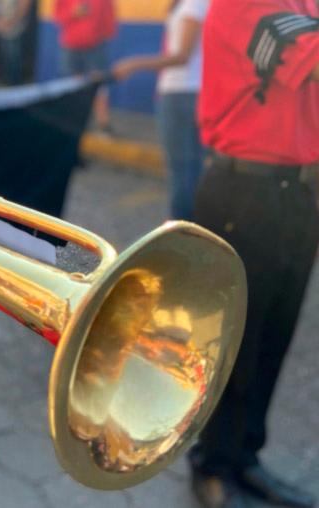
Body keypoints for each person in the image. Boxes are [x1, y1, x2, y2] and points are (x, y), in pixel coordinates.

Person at [187, 0, 319, 507]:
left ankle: (245, 457)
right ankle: (210, 462)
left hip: (297, 194)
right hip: (244, 194)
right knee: (228, 347)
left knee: (271, 342)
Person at [112, 0, 209, 220]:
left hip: (180, 94)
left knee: (182, 171)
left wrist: (134, 64)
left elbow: (181, 56)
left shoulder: (194, 4)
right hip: (191, 93)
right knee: (192, 169)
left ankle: (180, 231)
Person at [53, 0, 116, 133]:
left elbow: (109, 15)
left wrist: (103, 36)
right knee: (75, 85)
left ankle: (103, 122)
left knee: (99, 85)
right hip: (71, 44)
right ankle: (76, 120)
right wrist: (73, 13)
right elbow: (58, 17)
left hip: (96, 45)